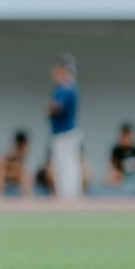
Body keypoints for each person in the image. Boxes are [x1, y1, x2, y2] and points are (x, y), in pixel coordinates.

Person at [46, 54, 82, 200]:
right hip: (68, 131)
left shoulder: (65, 87)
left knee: (64, 165)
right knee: (69, 163)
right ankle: (71, 195)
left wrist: (48, 108)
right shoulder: (72, 86)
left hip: (64, 132)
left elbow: (57, 107)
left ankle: (67, 196)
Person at [0, 129, 33, 197]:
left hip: (18, 175)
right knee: (0, 173)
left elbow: (22, 167)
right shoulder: (10, 152)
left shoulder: (24, 151)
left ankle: (27, 195)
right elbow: (2, 165)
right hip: (7, 175)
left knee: (26, 174)